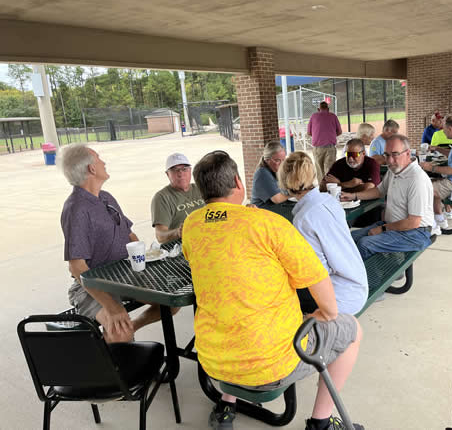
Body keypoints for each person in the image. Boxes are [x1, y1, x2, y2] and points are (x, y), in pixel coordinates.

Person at [182, 150, 364, 430]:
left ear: (201, 189)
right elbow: (322, 288)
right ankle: (321, 422)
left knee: (235, 303)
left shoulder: (191, 226)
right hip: (270, 366)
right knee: (352, 330)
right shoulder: (270, 224)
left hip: (213, 362)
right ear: (238, 182)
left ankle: (227, 403)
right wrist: (324, 314)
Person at [59, 143, 168, 343]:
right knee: (120, 330)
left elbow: (130, 235)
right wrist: (112, 306)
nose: (104, 162)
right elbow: (76, 267)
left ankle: (123, 335)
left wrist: (145, 262)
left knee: (168, 301)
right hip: (91, 285)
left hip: (122, 277)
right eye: (99, 158)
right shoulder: (76, 209)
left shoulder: (106, 197)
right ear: (92, 168)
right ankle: (116, 346)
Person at [279, 151, 368, 315]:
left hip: (338, 298)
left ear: (284, 182)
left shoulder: (303, 219)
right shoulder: (330, 201)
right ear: (313, 175)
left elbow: (317, 272)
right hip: (358, 284)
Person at [342, 134, 434, 259]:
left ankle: (372, 272)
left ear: (407, 153)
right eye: (386, 155)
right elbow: (379, 191)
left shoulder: (417, 179)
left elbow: (413, 222)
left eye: (395, 154)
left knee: (365, 244)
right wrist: (353, 196)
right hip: (393, 225)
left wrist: (383, 229)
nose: (389, 161)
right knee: (351, 238)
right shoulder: (395, 170)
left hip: (416, 233)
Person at [151, 153, 205, 243]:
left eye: (184, 169)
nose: (180, 174)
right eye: (175, 170)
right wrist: (178, 232)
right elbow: (160, 236)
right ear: (167, 174)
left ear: (190, 171)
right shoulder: (162, 197)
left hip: (207, 239)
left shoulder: (201, 188)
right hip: (180, 246)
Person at [307, 101, 343, 182]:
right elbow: (340, 132)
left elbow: (309, 133)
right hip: (330, 147)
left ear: (318, 109)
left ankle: (322, 187)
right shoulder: (333, 116)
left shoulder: (314, 116)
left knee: (320, 170)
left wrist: (318, 135)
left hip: (317, 148)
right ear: (328, 109)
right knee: (330, 170)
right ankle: (330, 187)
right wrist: (331, 135)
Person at [250, 141, 290, 207]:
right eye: (277, 160)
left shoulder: (274, 170)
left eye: (283, 160)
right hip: (262, 210)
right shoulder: (262, 173)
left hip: (275, 208)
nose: (282, 163)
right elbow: (277, 199)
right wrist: (295, 194)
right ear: (267, 160)